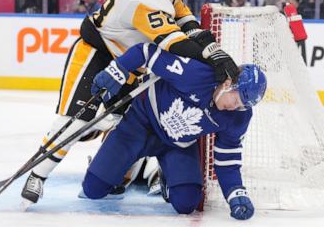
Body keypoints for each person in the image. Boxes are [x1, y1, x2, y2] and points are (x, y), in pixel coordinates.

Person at [21, 0, 238, 207]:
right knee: (74, 121)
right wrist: (210, 55)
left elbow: (181, 15)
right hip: (97, 53)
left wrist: (207, 45)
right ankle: (37, 175)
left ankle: (124, 171)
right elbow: (174, 43)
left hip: (129, 64)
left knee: (121, 121)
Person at [82, 41, 266, 218]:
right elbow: (145, 52)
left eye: (242, 106)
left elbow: (228, 158)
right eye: (235, 101)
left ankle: (165, 173)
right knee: (93, 189)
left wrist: (235, 193)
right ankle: (120, 154)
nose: (235, 108)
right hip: (138, 126)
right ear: (227, 84)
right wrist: (116, 71)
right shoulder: (196, 73)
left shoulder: (239, 116)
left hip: (176, 144)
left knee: (186, 204)